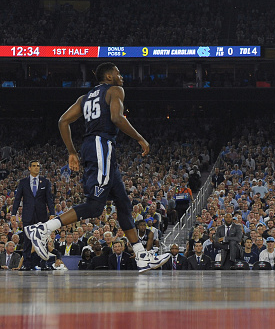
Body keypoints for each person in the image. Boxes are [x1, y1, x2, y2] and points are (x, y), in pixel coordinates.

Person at [23, 62, 170, 273]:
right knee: (94, 206)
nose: (122, 77)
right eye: (118, 73)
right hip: (102, 146)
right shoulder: (115, 90)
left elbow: (63, 121)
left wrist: (72, 151)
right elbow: (117, 118)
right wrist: (140, 138)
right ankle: (43, 229)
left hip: (95, 148)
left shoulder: (84, 99)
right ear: (109, 77)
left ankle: (141, 255)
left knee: (124, 204)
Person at [10, 160, 55, 271]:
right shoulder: (23, 182)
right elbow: (17, 199)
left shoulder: (45, 182)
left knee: (43, 239)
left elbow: (49, 199)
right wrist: (13, 213)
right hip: (28, 214)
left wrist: (53, 213)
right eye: (34, 166)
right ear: (29, 168)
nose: (36, 168)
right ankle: (27, 264)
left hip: (41, 215)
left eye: (38, 166)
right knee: (27, 240)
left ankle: (44, 264)